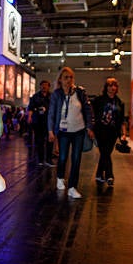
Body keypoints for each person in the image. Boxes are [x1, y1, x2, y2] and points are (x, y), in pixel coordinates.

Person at [47, 67, 94, 199]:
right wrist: (50, 131)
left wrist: (90, 127)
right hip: (63, 131)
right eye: (65, 77)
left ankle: (72, 187)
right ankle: (60, 177)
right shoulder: (57, 94)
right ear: (60, 80)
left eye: (71, 77)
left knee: (76, 159)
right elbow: (51, 113)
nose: (68, 80)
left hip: (78, 130)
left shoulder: (80, 92)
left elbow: (88, 110)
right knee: (62, 157)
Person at [92, 77, 127, 186]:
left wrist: (123, 134)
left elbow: (122, 120)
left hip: (113, 132)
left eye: (114, 86)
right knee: (105, 153)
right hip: (100, 131)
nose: (112, 88)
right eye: (110, 85)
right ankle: (109, 175)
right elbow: (90, 112)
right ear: (106, 87)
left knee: (105, 153)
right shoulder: (99, 100)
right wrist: (90, 127)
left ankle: (98, 174)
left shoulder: (119, 102)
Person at [27, 80, 54, 166]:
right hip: (38, 122)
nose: (44, 87)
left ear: (49, 87)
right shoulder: (35, 96)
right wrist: (29, 117)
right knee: (39, 141)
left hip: (49, 122)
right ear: (40, 86)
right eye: (42, 85)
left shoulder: (52, 96)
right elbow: (31, 108)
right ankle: (41, 160)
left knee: (50, 141)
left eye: (46, 85)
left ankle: (49, 160)